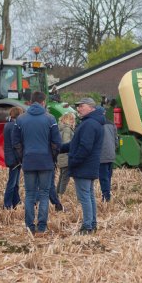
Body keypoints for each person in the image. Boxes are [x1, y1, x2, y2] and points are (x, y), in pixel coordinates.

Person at [14, 91, 61, 236]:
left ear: (30, 101)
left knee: (29, 194)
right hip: (46, 162)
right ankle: (41, 228)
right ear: (43, 102)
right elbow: (57, 143)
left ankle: (29, 227)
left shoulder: (20, 119)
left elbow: (15, 142)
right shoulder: (50, 119)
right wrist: (52, 157)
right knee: (44, 194)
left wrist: (23, 157)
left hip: (28, 161)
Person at [61, 97, 104, 234]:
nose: (78, 108)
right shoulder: (92, 122)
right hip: (89, 166)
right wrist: (60, 148)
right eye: (78, 106)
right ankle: (92, 224)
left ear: (91, 107)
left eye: (81, 106)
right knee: (89, 196)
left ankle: (87, 226)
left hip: (83, 166)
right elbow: (75, 144)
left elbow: (85, 147)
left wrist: (74, 161)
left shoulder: (89, 124)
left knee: (85, 197)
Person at [3, 107, 23, 209]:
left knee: (15, 183)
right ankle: (7, 204)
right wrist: (20, 157)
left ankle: (16, 202)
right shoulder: (13, 126)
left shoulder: (8, 125)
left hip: (12, 158)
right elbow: (15, 144)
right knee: (12, 183)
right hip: (14, 159)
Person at [99, 113, 118, 201]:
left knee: (103, 177)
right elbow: (116, 140)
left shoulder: (97, 124)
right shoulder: (112, 124)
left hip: (102, 154)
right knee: (108, 176)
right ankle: (107, 195)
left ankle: (106, 197)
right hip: (111, 154)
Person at [56, 112, 76, 194]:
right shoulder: (67, 129)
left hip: (61, 156)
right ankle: (61, 195)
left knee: (62, 177)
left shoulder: (60, 128)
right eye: (71, 119)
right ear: (66, 119)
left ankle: (57, 194)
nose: (73, 121)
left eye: (73, 119)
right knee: (65, 178)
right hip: (66, 156)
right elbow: (66, 142)